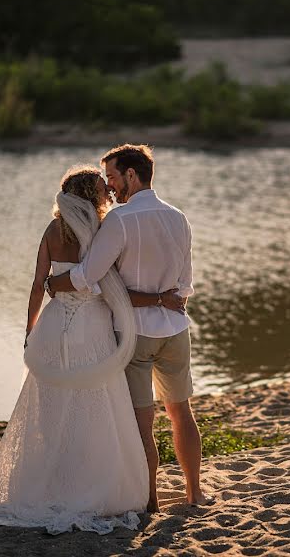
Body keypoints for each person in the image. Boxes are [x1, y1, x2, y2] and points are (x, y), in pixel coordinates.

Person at [0, 164, 169, 534]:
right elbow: (111, 283)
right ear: (92, 196)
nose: (108, 194)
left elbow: (39, 285)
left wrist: (30, 327)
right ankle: (94, 484)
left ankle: (55, 482)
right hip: (92, 326)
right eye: (103, 189)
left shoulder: (52, 231)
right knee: (97, 404)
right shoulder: (103, 231)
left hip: (54, 328)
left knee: (51, 408)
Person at [46, 144, 209, 511]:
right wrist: (163, 299)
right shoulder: (178, 217)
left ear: (132, 175)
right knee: (181, 412)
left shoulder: (119, 221)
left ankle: (150, 500)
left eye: (113, 177)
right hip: (175, 330)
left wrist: (54, 284)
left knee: (142, 422)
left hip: (135, 334)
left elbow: (91, 277)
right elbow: (184, 286)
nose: (110, 187)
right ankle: (194, 492)